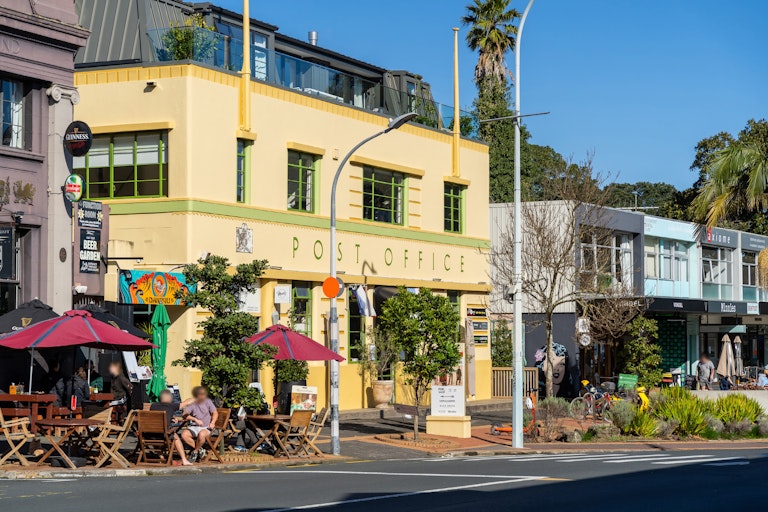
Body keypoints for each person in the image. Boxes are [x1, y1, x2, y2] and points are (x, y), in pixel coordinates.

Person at [150, 390, 196, 466]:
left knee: (156, 432)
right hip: (163, 435)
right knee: (175, 436)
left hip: (149, 435)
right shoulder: (171, 406)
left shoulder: (153, 406)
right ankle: (184, 460)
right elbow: (186, 403)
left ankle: (161, 457)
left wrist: (170, 418)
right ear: (169, 398)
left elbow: (158, 418)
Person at [180, 386, 218, 463]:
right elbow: (184, 415)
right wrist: (195, 419)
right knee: (184, 435)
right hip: (195, 426)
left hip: (206, 426)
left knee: (201, 434)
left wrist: (213, 422)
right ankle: (200, 449)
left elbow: (215, 413)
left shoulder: (208, 401)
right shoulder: (192, 402)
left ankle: (195, 452)